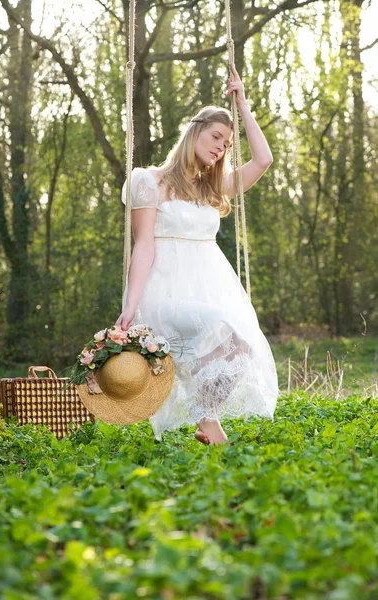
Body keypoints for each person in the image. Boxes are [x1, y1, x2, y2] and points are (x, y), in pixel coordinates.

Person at [115, 63, 279, 445]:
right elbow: (144, 245)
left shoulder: (213, 188)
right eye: (216, 136)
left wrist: (242, 105)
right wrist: (130, 306)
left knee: (240, 341)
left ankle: (208, 418)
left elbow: (264, 161)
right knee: (219, 327)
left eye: (226, 143)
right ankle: (207, 419)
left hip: (208, 286)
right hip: (165, 291)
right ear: (194, 132)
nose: (221, 147)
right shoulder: (148, 182)